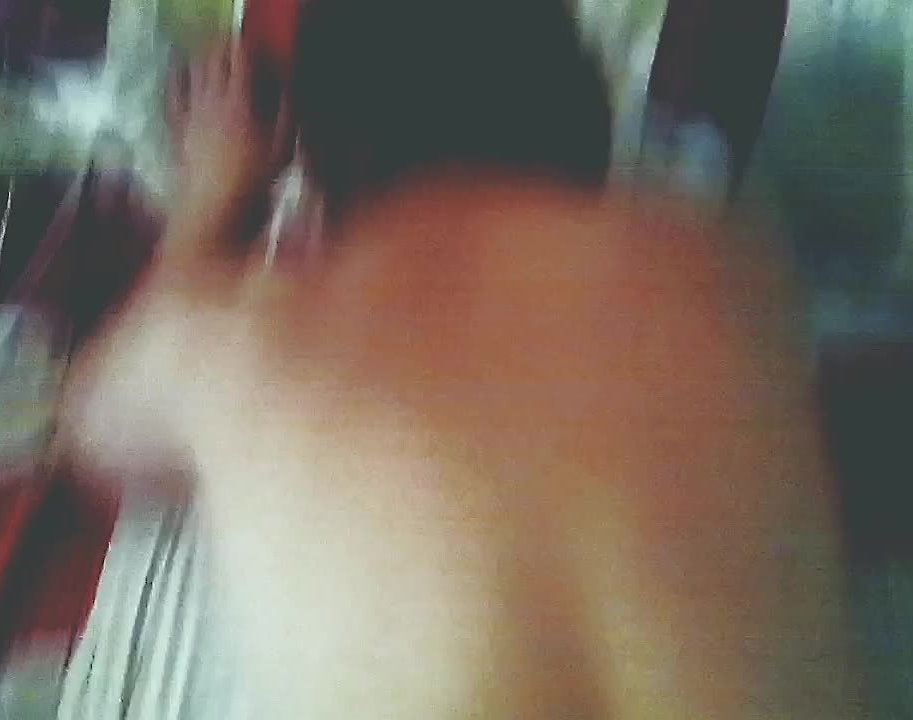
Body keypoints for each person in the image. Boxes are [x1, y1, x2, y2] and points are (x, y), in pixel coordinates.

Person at [59, 0, 864, 717]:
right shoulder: (722, 271)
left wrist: (214, 191)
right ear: (586, 109)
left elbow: (91, 423)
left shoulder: (255, 340)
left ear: (313, 168)